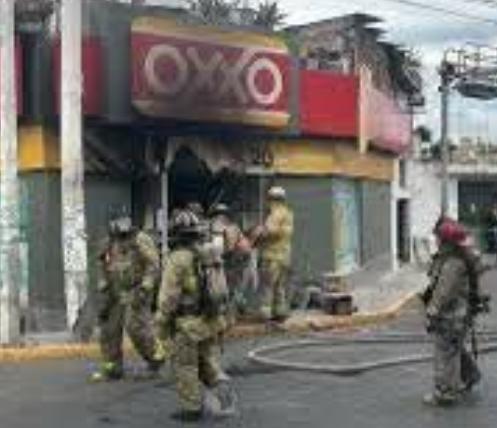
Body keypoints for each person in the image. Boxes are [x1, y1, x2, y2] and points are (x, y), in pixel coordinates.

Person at [156, 209, 235, 421]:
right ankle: (222, 390)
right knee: (207, 361)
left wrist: (161, 323)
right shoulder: (209, 253)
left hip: (187, 325)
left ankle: (191, 409)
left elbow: (168, 298)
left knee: (186, 366)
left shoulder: (177, 259)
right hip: (210, 320)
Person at [91, 208, 165, 382]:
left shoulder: (140, 239)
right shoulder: (109, 241)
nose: (120, 226)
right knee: (109, 329)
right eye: (116, 222)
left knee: (136, 327)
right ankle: (112, 368)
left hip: (136, 290)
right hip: (115, 291)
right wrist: (103, 281)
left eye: (123, 221)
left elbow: (153, 264)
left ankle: (155, 360)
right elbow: (100, 262)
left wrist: (146, 285)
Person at [421, 217, 488, 406]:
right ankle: (470, 375)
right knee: (454, 347)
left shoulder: (453, 263)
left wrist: (431, 312)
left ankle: (445, 393)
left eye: (438, 237)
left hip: (452, 315)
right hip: (463, 313)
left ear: (446, 241)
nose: (436, 240)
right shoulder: (464, 256)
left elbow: (443, 292)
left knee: (445, 352)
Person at [252, 186, 294, 321]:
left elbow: (270, 231)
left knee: (267, 286)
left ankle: (265, 314)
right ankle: (280, 312)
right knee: (280, 287)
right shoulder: (288, 213)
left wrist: (258, 233)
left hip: (271, 257)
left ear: (272, 199)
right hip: (285, 257)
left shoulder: (275, 214)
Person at [209, 203, 252, 322]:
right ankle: (238, 308)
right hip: (239, 258)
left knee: (230, 287)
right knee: (234, 286)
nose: (218, 217)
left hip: (236, 259)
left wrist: (220, 259)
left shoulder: (224, 227)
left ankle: (232, 314)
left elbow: (228, 248)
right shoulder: (230, 225)